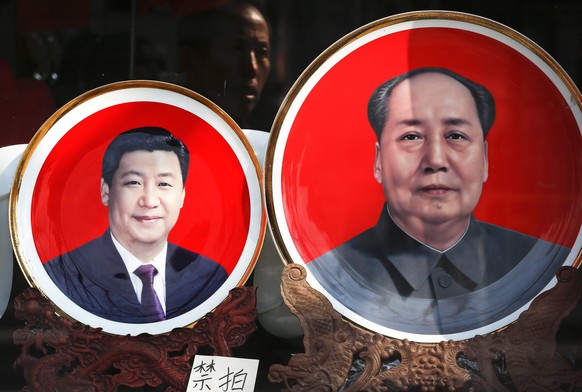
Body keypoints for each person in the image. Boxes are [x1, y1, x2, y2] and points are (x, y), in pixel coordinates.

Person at [308, 67, 570, 335]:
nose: (435, 160)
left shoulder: (549, 269)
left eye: (456, 136)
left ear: (485, 160)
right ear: (378, 162)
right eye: (411, 137)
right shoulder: (325, 278)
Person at [44, 127, 228, 323]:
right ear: (106, 191)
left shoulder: (210, 276)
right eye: (133, 182)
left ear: (182, 195)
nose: (149, 201)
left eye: (164, 184)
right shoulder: (63, 274)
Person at [176, 0, 271, 129]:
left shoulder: (275, 138)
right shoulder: (164, 141)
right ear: (189, 60)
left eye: (262, 52)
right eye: (237, 49)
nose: (251, 68)